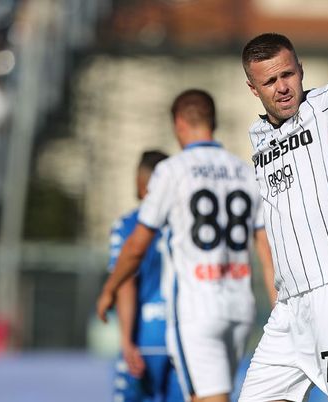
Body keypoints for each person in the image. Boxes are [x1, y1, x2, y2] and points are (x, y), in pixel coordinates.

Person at [238, 0, 328, 400]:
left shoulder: (327, 109)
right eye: (270, 81)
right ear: (254, 89)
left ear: (301, 70)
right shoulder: (258, 137)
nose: (282, 86)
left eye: (288, 73)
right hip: (289, 308)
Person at [97, 89, 276, 402]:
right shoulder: (246, 173)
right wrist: (278, 307)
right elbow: (267, 249)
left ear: (179, 123)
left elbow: (137, 245)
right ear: (214, 122)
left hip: (197, 308)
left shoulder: (172, 171)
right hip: (239, 307)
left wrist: (110, 288)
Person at [108, 150, 182, 402]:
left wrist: (127, 341)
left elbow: (126, 282)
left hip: (144, 339)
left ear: (140, 187)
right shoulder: (189, 225)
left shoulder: (128, 226)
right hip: (184, 339)